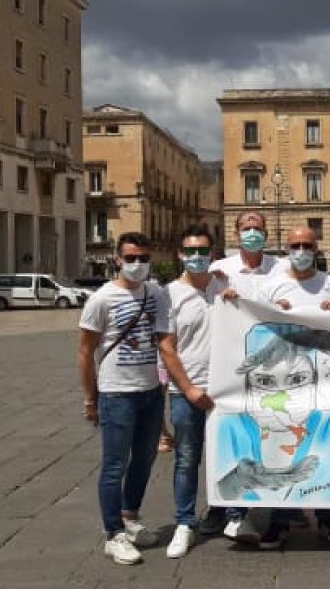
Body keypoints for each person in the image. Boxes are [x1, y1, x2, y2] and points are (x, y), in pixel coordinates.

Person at [78, 232, 176, 565]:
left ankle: (129, 518)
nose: (137, 265)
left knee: (144, 459)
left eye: (143, 259)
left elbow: (164, 338)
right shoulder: (101, 299)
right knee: (114, 464)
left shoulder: (157, 293)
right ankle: (113, 534)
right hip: (116, 392)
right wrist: (90, 399)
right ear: (117, 259)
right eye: (131, 258)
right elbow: (85, 352)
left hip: (149, 391)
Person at [254, 225, 330, 548]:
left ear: (316, 247)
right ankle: (279, 520)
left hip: (322, 380)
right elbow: (255, 325)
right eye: (295, 245)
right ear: (287, 248)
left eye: (307, 244)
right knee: (284, 450)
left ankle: (327, 516)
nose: (302, 250)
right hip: (284, 383)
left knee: (323, 448)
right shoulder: (270, 288)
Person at [211, 211, 290, 543]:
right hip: (234, 368)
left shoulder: (282, 268)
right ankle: (233, 511)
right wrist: (222, 299)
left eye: (258, 228)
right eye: (247, 228)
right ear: (236, 231)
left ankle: (276, 512)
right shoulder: (221, 272)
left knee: (276, 437)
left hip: (276, 369)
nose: (253, 233)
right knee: (237, 436)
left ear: (267, 232)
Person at [161, 226, 222, 558]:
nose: (196, 257)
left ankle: (229, 512)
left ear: (212, 254)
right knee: (187, 459)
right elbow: (166, 347)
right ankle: (185, 523)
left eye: (203, 251)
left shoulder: (224, 287)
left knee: (226, 454)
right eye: (190, 251)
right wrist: (188, 388)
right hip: (186, 391)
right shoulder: (168, 294)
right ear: (180, 254)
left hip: (224, 390)